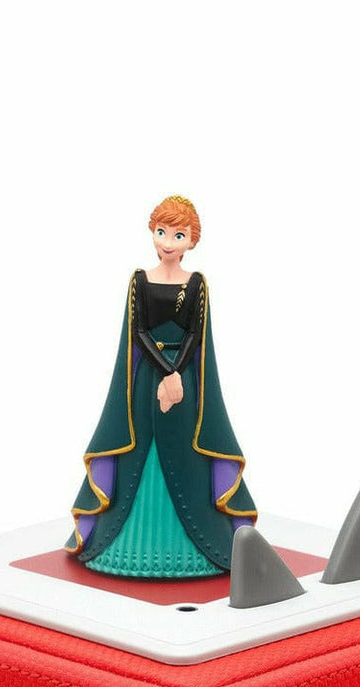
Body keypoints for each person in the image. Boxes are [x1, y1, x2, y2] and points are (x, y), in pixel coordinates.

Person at [64, 196, 257, 577]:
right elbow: (137, 332)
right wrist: (165, 373)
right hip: (145, 384)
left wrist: (176, 375)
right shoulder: (139, 281)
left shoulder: (197, 285)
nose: (168, 242)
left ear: (192, 241)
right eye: (162, 232)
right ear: (152, 233)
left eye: (178, 235)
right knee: (139, 447)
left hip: (185, 385)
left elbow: (195, 335)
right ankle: (124, 547)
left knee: (186, 448)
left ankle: (199, 548)